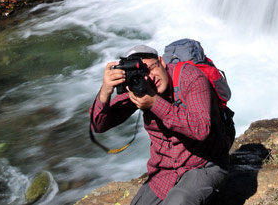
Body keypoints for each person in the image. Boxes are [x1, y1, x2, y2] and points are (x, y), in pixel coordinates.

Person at [90, 44, 230, 205]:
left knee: (179, 201)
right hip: (165, 172)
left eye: (150, 68)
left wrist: (154, 103)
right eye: (141, 74)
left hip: (204, 164)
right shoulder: (139, 87)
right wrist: (105, 91)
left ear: (162, 62)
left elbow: (201, 129)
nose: (148, 77)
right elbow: (98, 125)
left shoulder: (190, 78)